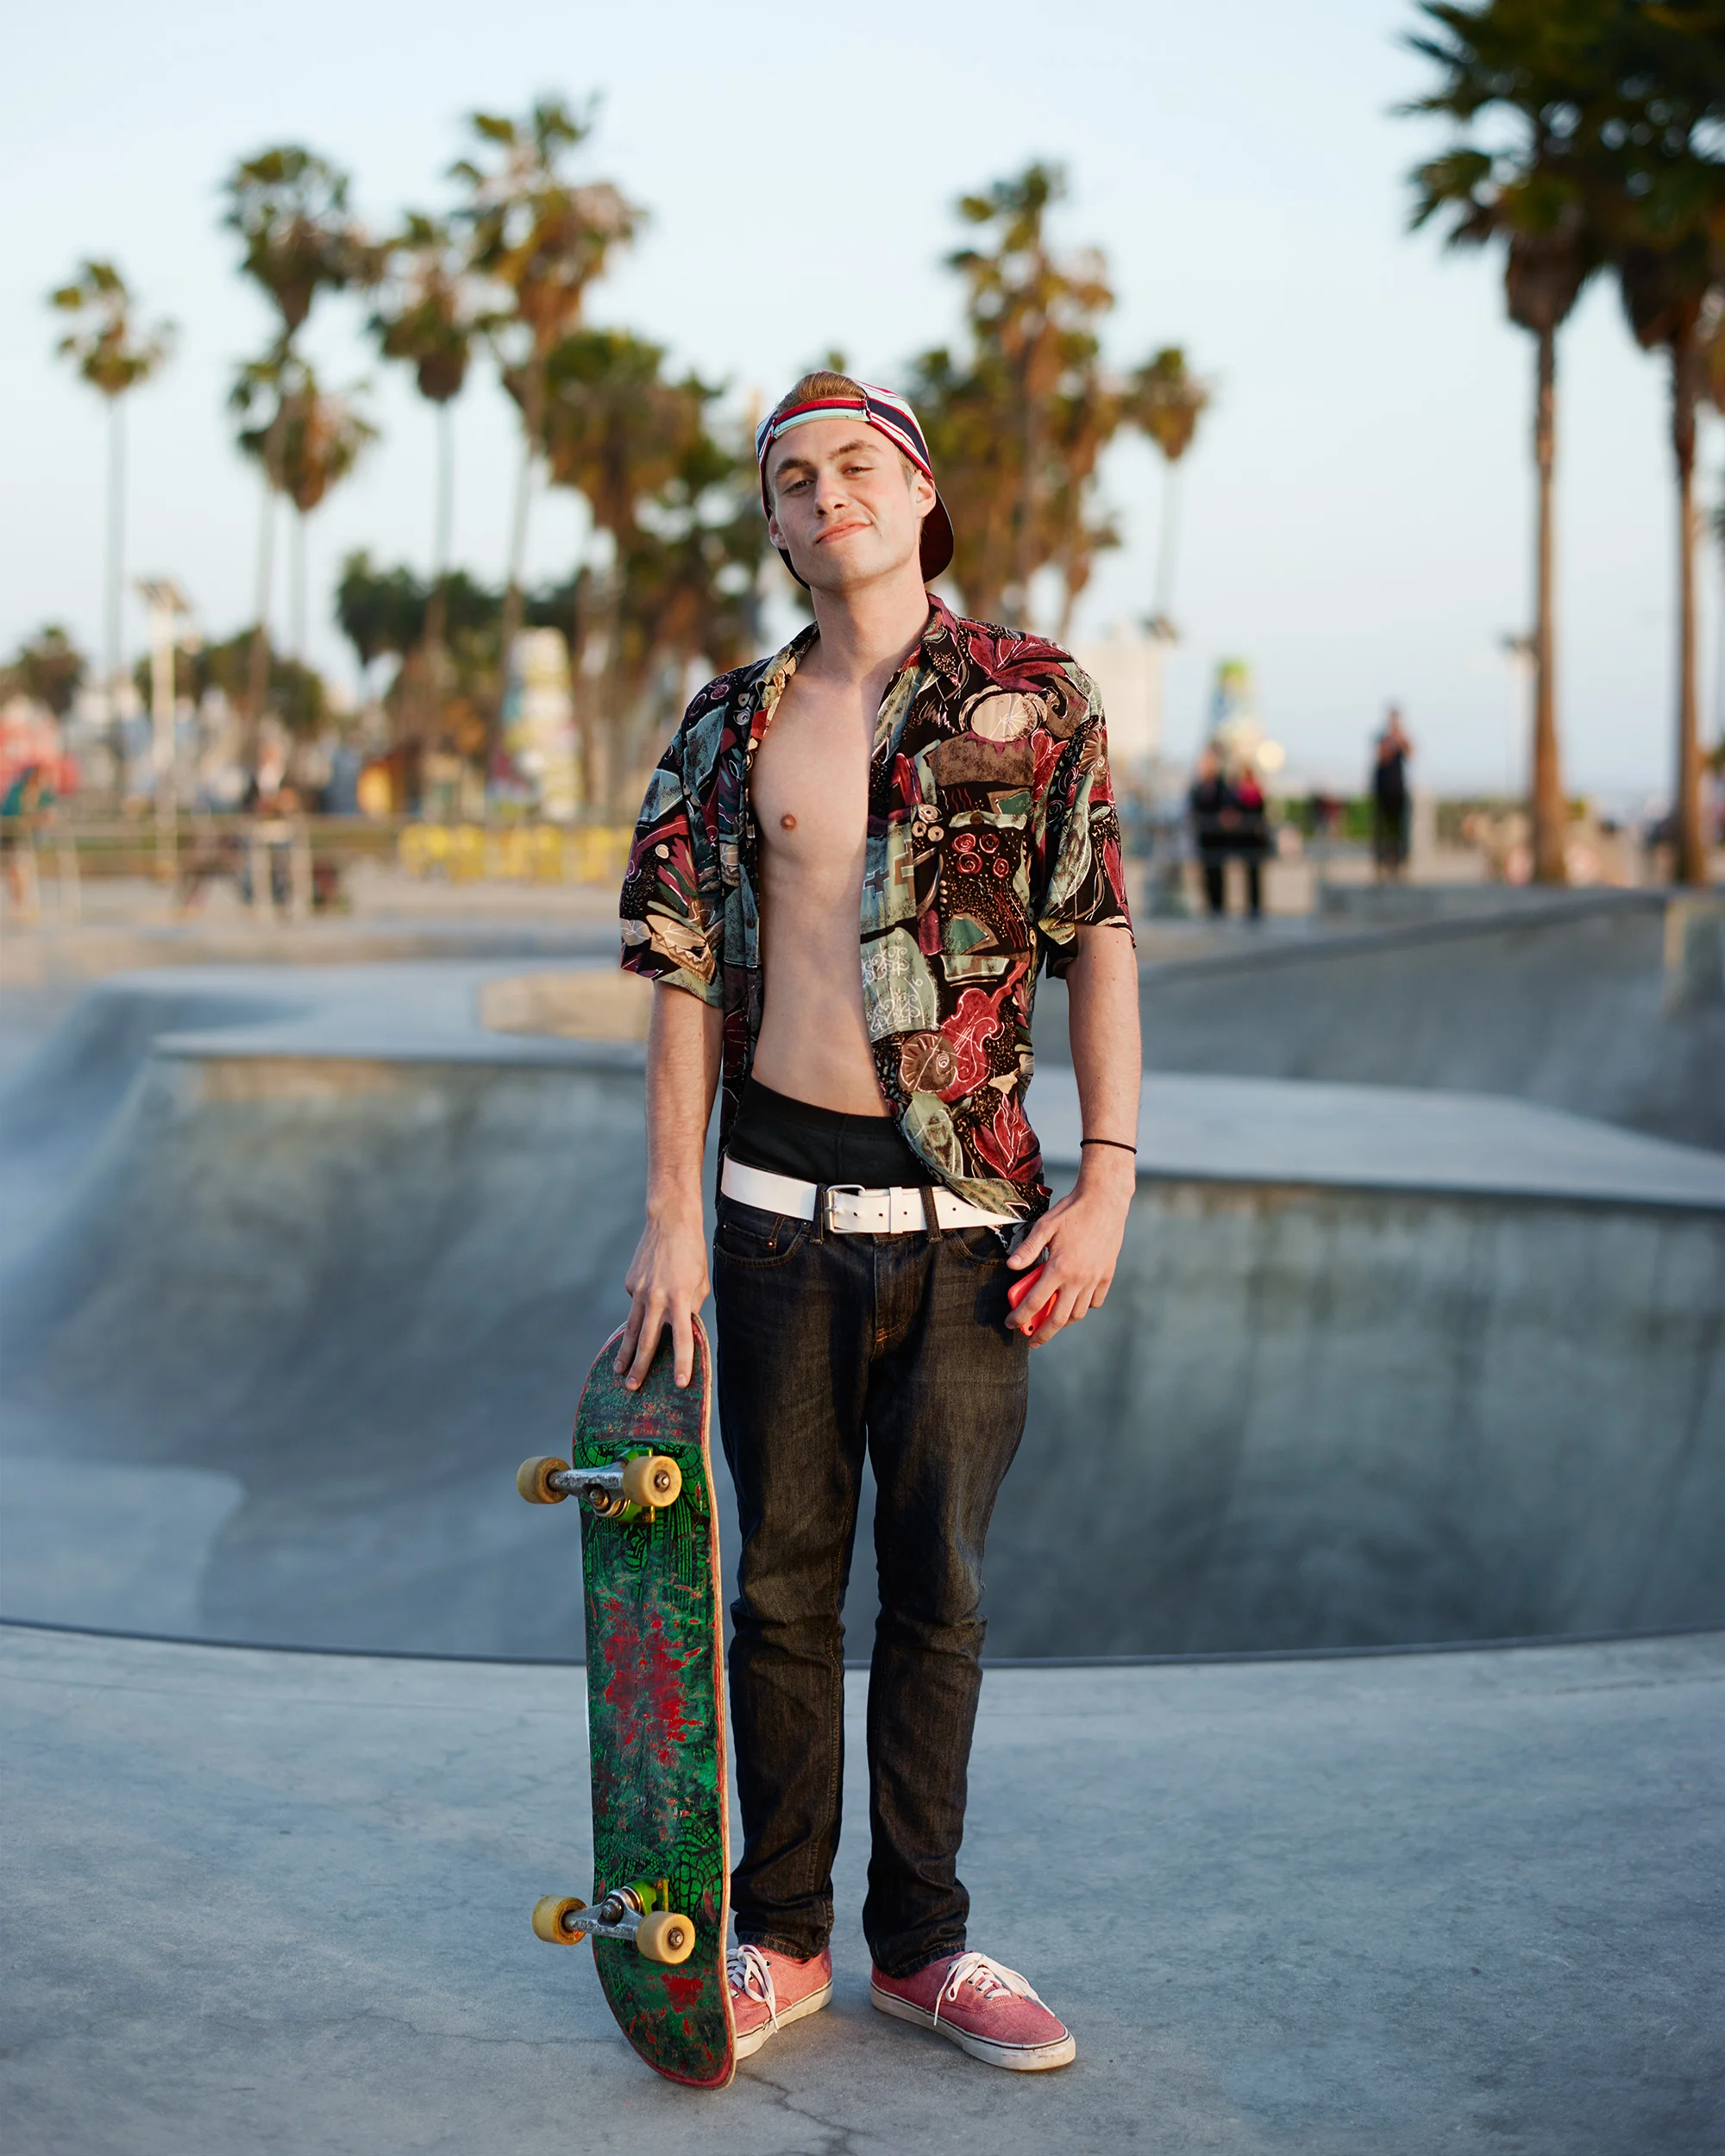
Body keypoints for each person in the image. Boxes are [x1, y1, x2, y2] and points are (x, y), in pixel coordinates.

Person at [616, 371, 1140, 2073]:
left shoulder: (1035, 697)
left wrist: (1114, 1175)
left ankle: (922, 1941)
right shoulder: (729, 722)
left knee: (941, 1588)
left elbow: (1098, 930)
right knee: (776, 1593)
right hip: (771, 1218)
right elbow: (682, 968)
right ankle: (781, 1938)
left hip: (973, 1227)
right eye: (791, 476)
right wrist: (671, 1221)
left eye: (855, 462)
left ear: (919, 494)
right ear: (773, 522)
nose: (822, 491)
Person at [1188, 745, 1236, 915]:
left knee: (1218, 873)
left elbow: (1228, 809)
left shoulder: (1221, 786)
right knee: (1206, 873)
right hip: (1205, 837)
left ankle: (1219, 906)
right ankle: (1211, 906)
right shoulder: (1199, 787)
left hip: (1218, 838)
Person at [1371, 707, 1413, 881]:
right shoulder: (1381, 738)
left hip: (1398, 791)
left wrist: (1401, 740)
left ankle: (1398, 863)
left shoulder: (1403, 737)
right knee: (1383, 830)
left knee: (1399, 830)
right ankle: (1381, 862)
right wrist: (1391, 742)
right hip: (1383, 792)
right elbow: (1381, 756)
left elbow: (1411, 754)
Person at [1231, 761, 1270, 918]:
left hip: (1250, 838)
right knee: (1252, 875)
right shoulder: (1255, 791)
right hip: (1251, 838)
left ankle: (1254, 906)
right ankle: (1254, 906)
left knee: (1252, 874)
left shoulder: (1245, 793)